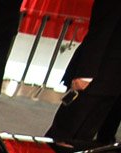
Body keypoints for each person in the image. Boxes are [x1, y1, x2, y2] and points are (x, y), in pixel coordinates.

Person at [45, 0, 121, 143]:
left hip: (113, 82)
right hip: (95, 76)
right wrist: (86, 73)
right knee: (62, 134)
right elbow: (100, 31)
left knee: (84, 138)